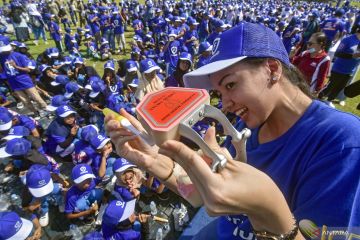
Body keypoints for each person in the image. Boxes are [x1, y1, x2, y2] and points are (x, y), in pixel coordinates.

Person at [105, 22, 360, 239]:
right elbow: (200, 196)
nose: (225, 103)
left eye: (231, 85)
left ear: (272, 69)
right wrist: (161, 165)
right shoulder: (247, 126)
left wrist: (268, 208)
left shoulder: (342, 143)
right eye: (218, 92)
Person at [319, 24, 360, 107]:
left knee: (339, 87)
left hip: (350, 70)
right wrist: (352, 56)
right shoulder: (347, 40)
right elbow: (337, 53)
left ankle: (329, 100)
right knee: (330, 86)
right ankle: (319, 97)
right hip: (339, 68)